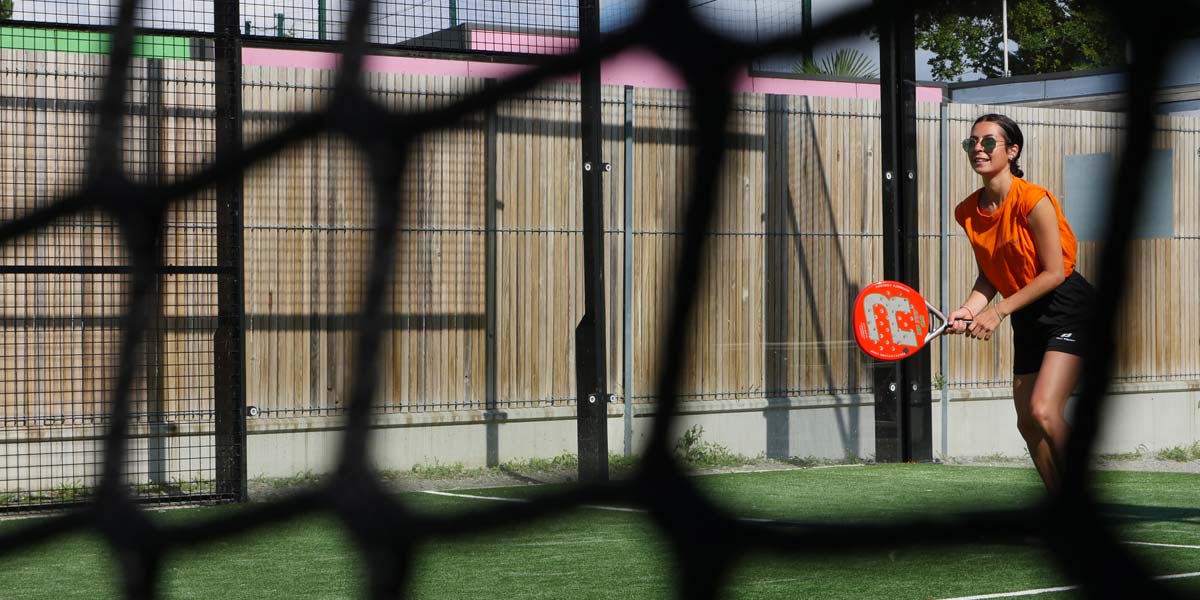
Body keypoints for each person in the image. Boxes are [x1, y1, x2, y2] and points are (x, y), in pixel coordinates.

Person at [946, 114, 1094, 494]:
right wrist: (969, 308)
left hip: (1066, 305)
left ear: (1012, 151)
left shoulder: (1033, 200)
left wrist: (997, 311)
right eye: (972, 143)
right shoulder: (967, 212)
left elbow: (1054, 273)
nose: (978, 148)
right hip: (1024, 312)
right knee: (1027, 423)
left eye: (988, 142)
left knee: (1044, 410)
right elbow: (991, 273)